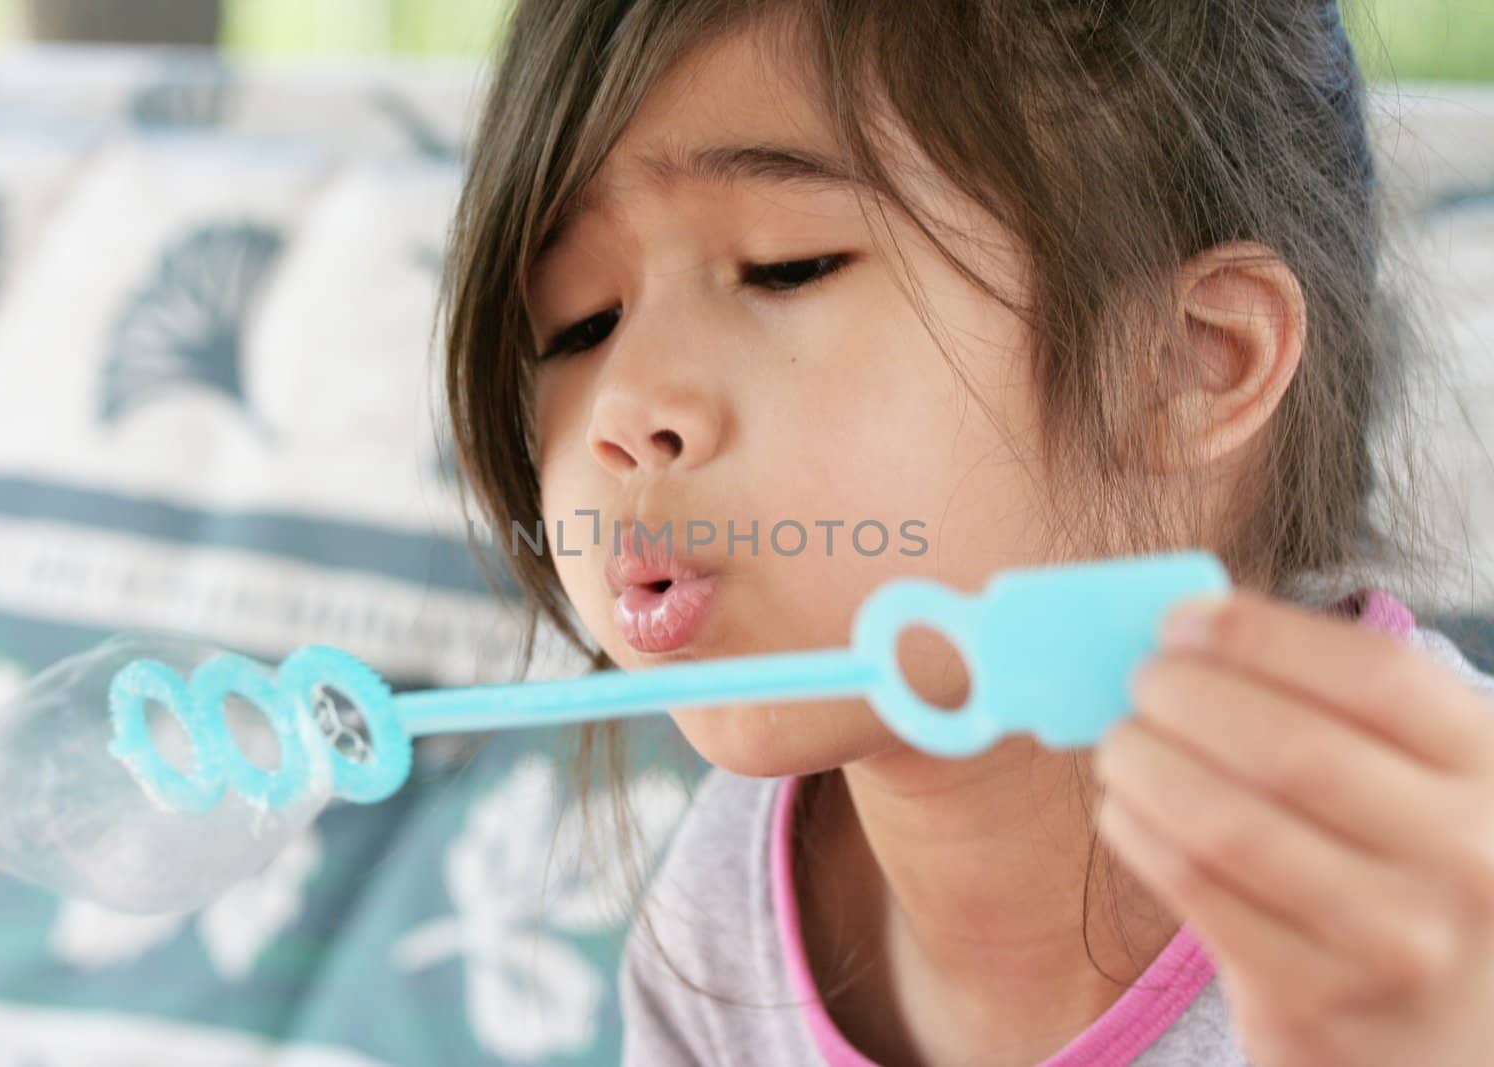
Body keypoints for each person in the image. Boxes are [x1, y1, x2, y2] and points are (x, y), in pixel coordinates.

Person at [438, 0, 1494, 1063]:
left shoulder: (1438, 900)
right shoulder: (715, 909)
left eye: (784, 264)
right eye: (577, 325)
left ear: (1186, 361)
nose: (618, 410)